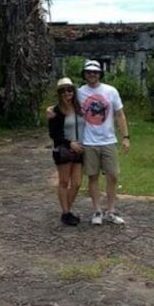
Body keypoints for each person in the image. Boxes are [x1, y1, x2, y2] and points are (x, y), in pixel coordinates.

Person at [78, 59, 131, 226]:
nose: (92, 74)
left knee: (113, 175)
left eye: (95, 72)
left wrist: (125, 137)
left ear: (100, 73)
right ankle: (97, 210)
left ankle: (110, 210)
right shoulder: (79, 92)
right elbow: (65, 105)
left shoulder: (110, 91)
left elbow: (120, 114)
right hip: (89, 141)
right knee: (92, 176)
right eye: (89, 72)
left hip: (108, 140)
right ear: (85, 74)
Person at [48, 77, 85, 226]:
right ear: (59, 93)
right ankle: (66, 212)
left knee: (76, 183)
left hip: (79, 149)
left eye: (69, 90)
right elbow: (53, 134)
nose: (67, 93)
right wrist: (70, 143)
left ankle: (67, 211)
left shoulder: (79, 108)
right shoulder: (55, 111)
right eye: (63, 91)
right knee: (64, 181)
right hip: (63, 149)